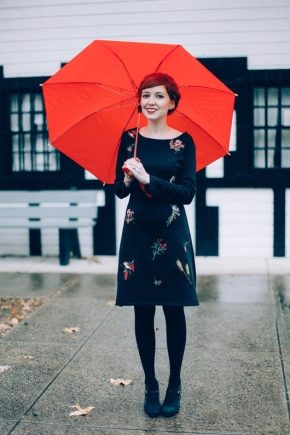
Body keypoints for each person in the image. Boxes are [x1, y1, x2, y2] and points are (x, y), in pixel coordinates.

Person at [114, 72, 199, 418]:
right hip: (137, 232)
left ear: (172, 103)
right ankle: (150, 383)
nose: (150, 101)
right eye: (146, 95)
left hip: (172, 232)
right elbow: (120, 192)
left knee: (173, 309)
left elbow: (188, 193)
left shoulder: (184, 142)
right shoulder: (129, 139)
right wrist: (126, 178)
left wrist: (151, 179)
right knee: (143, 309)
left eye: (159, 96)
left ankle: (174, 384)